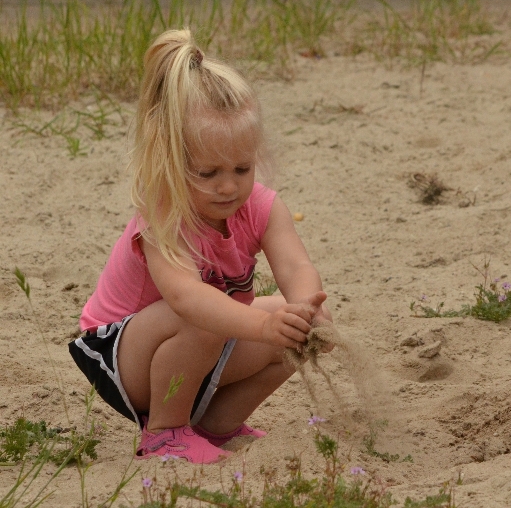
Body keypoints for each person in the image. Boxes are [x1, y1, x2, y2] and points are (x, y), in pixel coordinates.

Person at [69, 30, 332, 463]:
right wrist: (263, 328)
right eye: (207, 173)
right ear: (169, 161)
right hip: (121, 354)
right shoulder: (164, 215)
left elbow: (296, 266)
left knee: (295, 325)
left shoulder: (262, 206)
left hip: (199, 339)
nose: (228, 186)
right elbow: (186, 298)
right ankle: (165, 432)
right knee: (208, 314)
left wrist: (306, 309)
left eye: (242, 168)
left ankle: (216, 427)